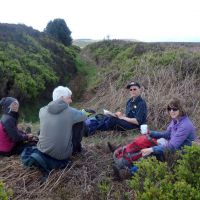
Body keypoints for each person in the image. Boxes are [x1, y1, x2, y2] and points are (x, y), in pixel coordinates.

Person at [111, 98, 196, 180]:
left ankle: (128, 173)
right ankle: (123, 151)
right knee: (144, 141)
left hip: (180, 154)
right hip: (172, 147)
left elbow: (172, 146)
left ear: (181, 109)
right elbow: (167, 134)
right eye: (169, 109)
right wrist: (151, 133)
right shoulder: (175, 120)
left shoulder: (185, 125)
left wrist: (151, 149)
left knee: (151, 154)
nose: (171, 111)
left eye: (174, 109)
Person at [21, 86, 88, 178]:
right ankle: (76, 149)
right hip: (61, 156)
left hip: (42, 150)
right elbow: (84, 116)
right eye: (69, 98)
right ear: (61, 98)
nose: (71, 101)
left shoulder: (42, 110)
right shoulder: (70, 112)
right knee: (79, 123)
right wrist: (82, 112)